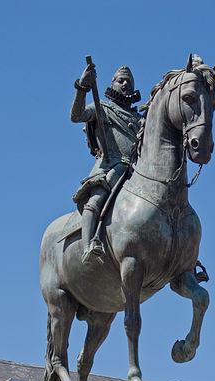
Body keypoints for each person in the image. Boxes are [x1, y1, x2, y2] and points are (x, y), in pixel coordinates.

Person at [71, 62, 141, 264]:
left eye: (129, 81)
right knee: (97, 198)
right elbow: (76, 116)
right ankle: (88, 246)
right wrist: (82, 87)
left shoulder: (139, 118)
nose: (125, 84)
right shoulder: (102, 108)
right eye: (121, 80)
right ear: (113, 83)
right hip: (111, 167)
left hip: (138, 170)